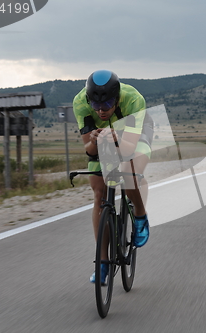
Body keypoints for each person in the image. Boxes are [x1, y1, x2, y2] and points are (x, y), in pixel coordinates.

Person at [73, 70, 152, 284]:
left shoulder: (133, 99)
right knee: (99, 192)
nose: (101, 110)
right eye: (96, 106)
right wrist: (94, 141)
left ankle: (140, 216)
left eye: (107, 105)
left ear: (117, 99)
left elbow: (128, 149)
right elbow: (89, 151)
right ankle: (102, 264)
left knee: (128, 173)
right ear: (88, 99)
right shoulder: (80, 103)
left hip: (134, 136)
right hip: (104, 139)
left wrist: (117, 138)